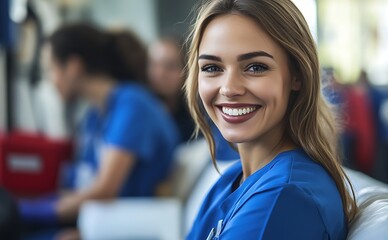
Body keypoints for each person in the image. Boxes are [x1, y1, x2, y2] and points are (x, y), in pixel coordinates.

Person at [185, 0, 357, 239]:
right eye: (212, 68)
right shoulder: (230, 180)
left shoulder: (283, 198)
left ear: (297, 75)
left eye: (255, 67)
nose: (229, 89)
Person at [19, 23, 180, 238]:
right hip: (93, 220)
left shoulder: (133, 105)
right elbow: (81, 184)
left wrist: (26, 211)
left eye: (52, 69)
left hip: (121, 225)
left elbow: (103, 192)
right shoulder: (95, 115)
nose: (51, 80)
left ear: (74, 66)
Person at [148, 36, 195, 142]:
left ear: (187, 71)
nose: (159, 73)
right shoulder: (138, 111)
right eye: (153, 64)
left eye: (170, 66)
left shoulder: (198, 116)